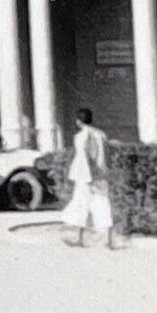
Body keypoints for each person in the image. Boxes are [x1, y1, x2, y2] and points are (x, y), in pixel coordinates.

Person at [62, 107, 113, 249]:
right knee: (103, 205)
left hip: (86, 176)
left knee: (81, 204)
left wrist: (87, 176)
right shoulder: (101, 135)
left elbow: (84, 157)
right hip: (101, 174)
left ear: (78, 121)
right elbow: (107, 155)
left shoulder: (80, 137)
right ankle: (108, 241)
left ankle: (79, 239)